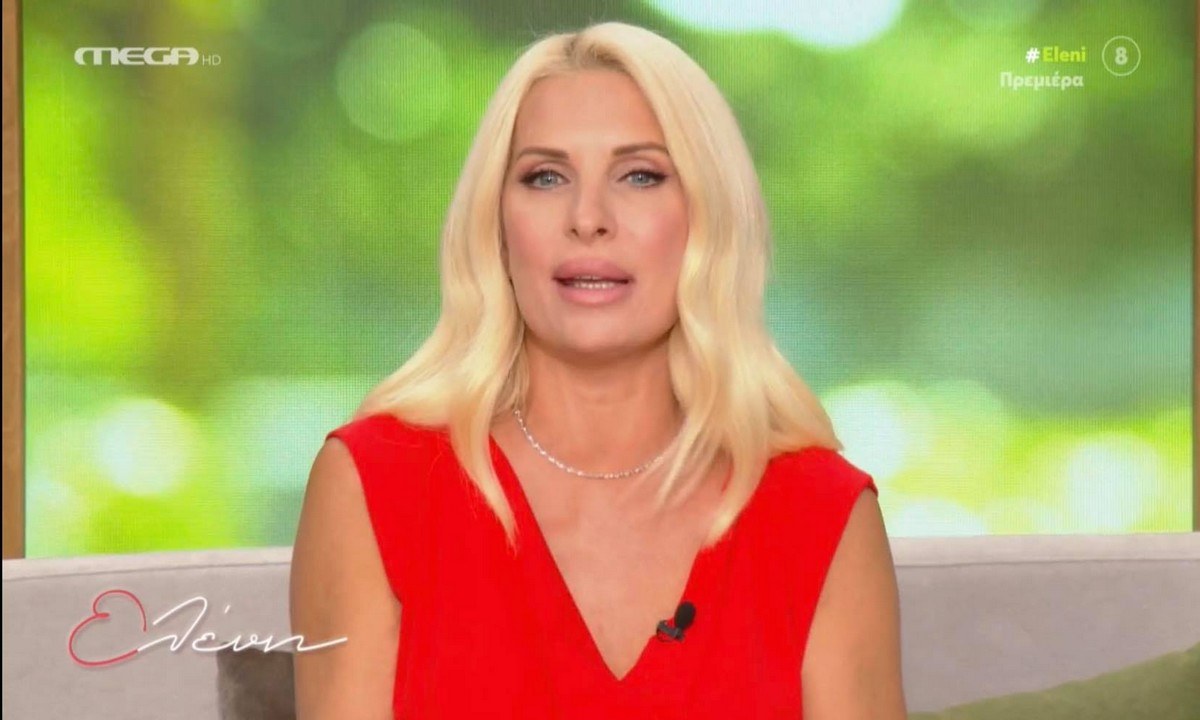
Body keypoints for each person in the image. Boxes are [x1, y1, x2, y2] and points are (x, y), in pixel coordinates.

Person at [290, 21, 907, 719]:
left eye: (640, 175)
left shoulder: (819, 514)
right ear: (496, 226)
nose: (588, 218)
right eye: (545, 177)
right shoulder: (375, 485)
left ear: (708, 219)